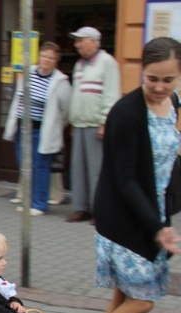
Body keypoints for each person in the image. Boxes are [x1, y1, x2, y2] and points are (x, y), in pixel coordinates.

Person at [79, 37, 181, 313]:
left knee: (123, 297)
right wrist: (157, 227)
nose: (159, 86)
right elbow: (125, 178)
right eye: (153, 77)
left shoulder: (175, 105)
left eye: (168, 80)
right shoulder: (126, 112)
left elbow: (170, 161)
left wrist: (166, 214)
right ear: (142, 69)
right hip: (124, 219)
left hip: (153, 216)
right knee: (142, 302)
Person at [3, 41, 71, 216]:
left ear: (56, 61)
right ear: (39, 56)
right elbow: (18, 100)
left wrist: (56, 125)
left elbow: (66, 110)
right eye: (44, 56)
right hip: (23, 128)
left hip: (42, 130)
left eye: (51, 57)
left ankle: (39, 204)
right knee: (25, 166)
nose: (46, 60)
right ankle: (28, 201)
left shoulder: (60, 81)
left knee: (40, 166)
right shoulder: (28, 74)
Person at [66, 27, 120, 223]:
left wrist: (105, 122)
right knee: (78, 168)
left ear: (94, 41)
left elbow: (111, 94)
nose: (77, 45)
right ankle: (81, 208)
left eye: (81, 40)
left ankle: (100, 210)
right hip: (80, 123)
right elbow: (77, 94)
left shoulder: (107, 62)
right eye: (76, 41)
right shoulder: (80, 64)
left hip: (96, 124)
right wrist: (73, 121)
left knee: (97, 169)